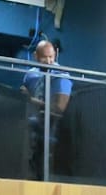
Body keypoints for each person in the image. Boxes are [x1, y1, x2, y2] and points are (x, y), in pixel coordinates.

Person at [22, 38, 71, 178]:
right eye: (45, 57)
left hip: (51, 130)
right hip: (30, 129)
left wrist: (32, 100)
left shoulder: (61, 75)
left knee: (43, 168)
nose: (49, 61)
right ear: (36, 56)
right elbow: (24, 92)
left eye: (51, 57)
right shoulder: (31, 74)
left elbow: (59, 108)